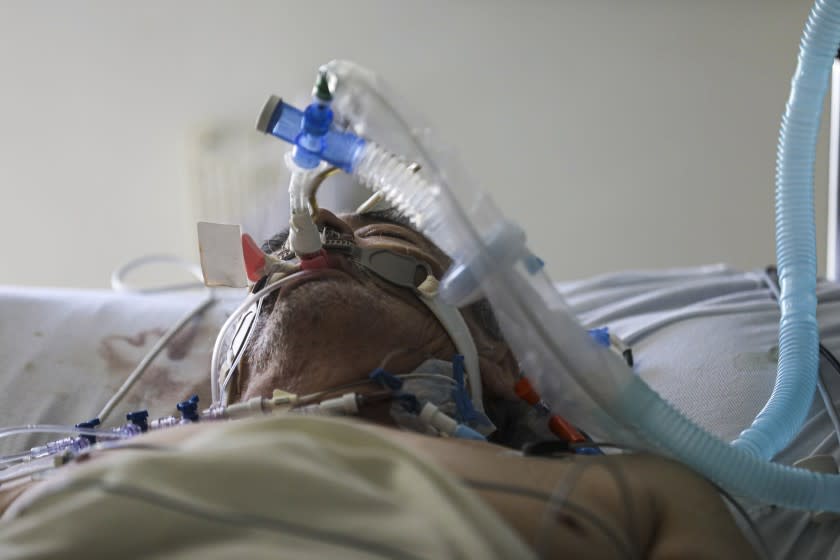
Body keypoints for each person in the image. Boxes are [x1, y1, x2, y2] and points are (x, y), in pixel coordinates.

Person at [0, 209, 758, 559]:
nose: (321, 221)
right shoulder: (47, 468)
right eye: (280, 261)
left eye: (380, 240)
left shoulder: (645, 499)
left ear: (499, 366)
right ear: (221, 377)